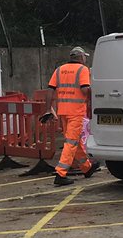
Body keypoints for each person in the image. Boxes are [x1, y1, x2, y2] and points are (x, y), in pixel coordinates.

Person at [42, 45, 99, 186]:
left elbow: (50, 89)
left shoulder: (59, 70)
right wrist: (97, 94)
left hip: (63, 112)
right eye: (84, 57)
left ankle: (87, 168)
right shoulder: (83, 70)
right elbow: (85, 89)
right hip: (76, 112)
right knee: (71, 143)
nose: (85, 59)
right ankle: (61, 173)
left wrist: (48, 109)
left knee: (75, 140)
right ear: (80, 57)